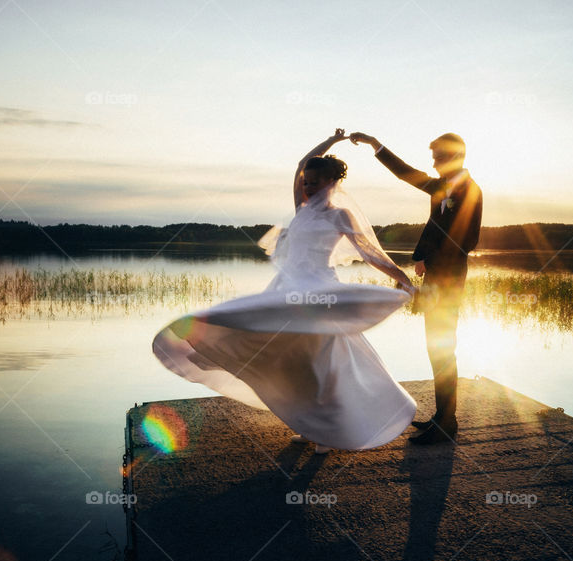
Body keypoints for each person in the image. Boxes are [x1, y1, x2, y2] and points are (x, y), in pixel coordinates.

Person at [152, 129, 417, 454]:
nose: (306, 187)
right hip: (287, 289)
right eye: (306, 183)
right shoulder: (301, 210)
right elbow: (300, 165)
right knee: (292, 361)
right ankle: (309, 426)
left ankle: (327, 431)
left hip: (320, 293)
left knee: (322, 362)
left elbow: (368, 252)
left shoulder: (340, 215)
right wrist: (331, 141)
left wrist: (400, 275)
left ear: (331, 184)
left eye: (314, 183)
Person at [350, 131, 482, 445]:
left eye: (438, 157)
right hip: (437, 278)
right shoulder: (441, 187)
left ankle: (447, 424)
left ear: (454, 157)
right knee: (437, 348)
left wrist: (428, 260)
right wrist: (374, 144)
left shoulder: (469, 191)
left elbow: (467, 240)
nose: (433, 162)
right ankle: (442, 417)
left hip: (447, 281)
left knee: (442, 349)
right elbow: (407, 173)